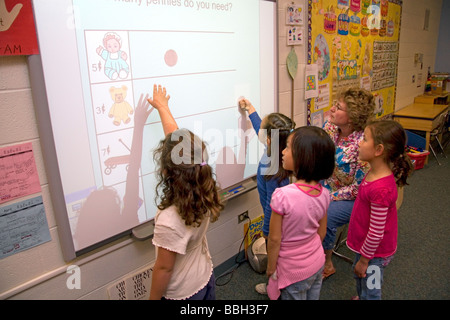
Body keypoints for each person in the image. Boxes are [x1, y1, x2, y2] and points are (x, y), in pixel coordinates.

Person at [148, 85, 224, 300]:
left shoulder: (170, 219)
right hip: (204, 277)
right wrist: (163, 107)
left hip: (183, 293)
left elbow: (164, 269)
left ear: (166, 172)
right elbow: (180, 146)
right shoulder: (205, 188)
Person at [266, 126, 335, 300]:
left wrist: (270, 267)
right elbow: (321, 232)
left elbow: (274, 240)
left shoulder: (282, 196)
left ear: (303, 157)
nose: (282, 151)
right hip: (316, 263)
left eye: (287, 147)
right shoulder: (325, 194)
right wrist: (308, 253)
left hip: (292, 272)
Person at [347, 120, 413, 300]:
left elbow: (376, 232)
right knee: (360, 277)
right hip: (366, 248)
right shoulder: (373, 172)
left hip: (374, 254)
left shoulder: (381, 189)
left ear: (378, 150)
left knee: (372, 289)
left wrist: (364, 260)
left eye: (365, 139)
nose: (359, 143)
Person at [238, 98, 295, 295]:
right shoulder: (277, 150)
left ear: (269, 140)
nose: (259, 131)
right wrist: (250, 109)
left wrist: (267, 230)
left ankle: (275, 288)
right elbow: (260, 130)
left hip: (275, 223)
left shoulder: (272, 169)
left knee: (276, 256)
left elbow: (273, 207)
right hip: (279, 220)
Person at [321, 87, 375, 279]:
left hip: (352, 198)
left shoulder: (363, 145)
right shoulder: (330, 128)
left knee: (323, 214)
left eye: (338, 107)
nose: (332, 110)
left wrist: (328, 196)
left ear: (352, 117)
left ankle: (326, 264)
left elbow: (358, 189)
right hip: (326, 185)